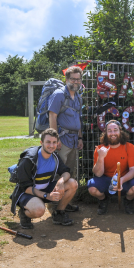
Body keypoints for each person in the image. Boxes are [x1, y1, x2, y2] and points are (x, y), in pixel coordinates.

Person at [10, 128, 78, 229]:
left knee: (72, 183)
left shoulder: (54, 156)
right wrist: (46, 195)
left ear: (57, 143)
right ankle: (24, 213)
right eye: (48, 142)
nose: (51, 145)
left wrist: (60, 181)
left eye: (54, 142)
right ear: (41, 142)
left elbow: (66, 172)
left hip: (45, 188)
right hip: (27, 193)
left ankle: (59, 213)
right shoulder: (29, 159)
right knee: (39, 210)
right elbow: (25, 187)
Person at [48, 65, 83, 212]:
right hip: (62, 139)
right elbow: (52, 116)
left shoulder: (78, 97)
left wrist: (80, 137)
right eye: (73, 79)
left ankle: (65, 202)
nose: (75, 81)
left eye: (78, 79)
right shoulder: (58, 95)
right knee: (59, 173)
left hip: (74, 140)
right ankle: (54, 205)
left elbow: (78, 119)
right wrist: (55, 140)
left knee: (71, 173)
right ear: (66, 79)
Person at [88, 120, 134, 215]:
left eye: (115, 130)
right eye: (110, 131)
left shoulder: (129, 147)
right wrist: (101, 157)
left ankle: (127, 201)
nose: (113, 133)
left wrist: (121, 180)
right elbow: (98, 174)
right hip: (106, 178)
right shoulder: (100, 149)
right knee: (92, 188)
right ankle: (103, 200)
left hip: (124, 178)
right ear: (106, 133)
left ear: (120, 132)